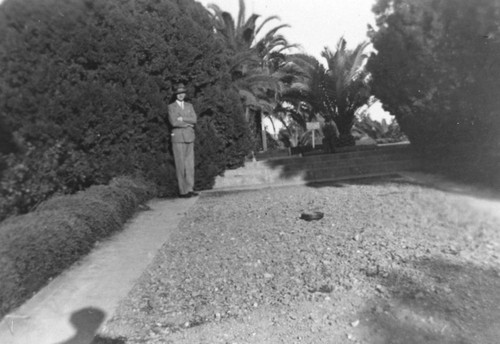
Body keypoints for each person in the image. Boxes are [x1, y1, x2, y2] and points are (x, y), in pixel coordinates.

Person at [168, 83, 198, 198]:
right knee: (180, 165)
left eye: (182, 93)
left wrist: (183, 118)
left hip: (189, 137)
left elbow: (194, 120)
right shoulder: (171, 107)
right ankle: (183, 191)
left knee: (189, 165)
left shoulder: (189, 106)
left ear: (185, 94)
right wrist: (188, 124)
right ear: (176, 94)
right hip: (178, 137)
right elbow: (174, 122)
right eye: (178, 93)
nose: (181, 95)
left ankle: (190, 188)